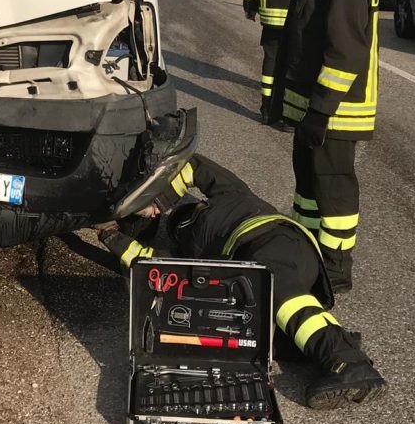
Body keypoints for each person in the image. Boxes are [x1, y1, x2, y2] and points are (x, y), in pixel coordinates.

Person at [97, 153, 387, 409]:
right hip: (286, 255)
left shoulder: (218, 211)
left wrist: (153, 204)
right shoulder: (231, 199)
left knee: (277, 290)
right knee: (253, 333)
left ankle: (349, 362)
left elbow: (191, 165)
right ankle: (329, 339)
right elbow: (157, 266)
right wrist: (113, 234)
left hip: (273, 243)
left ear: (186, 221)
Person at [271, 0, 380, 293]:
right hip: (316, 105)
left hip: (336, 108)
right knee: (309, 183)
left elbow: (345, 49)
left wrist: (321, 110)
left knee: (332, 185)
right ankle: (307, 252)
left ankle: (334, 269)